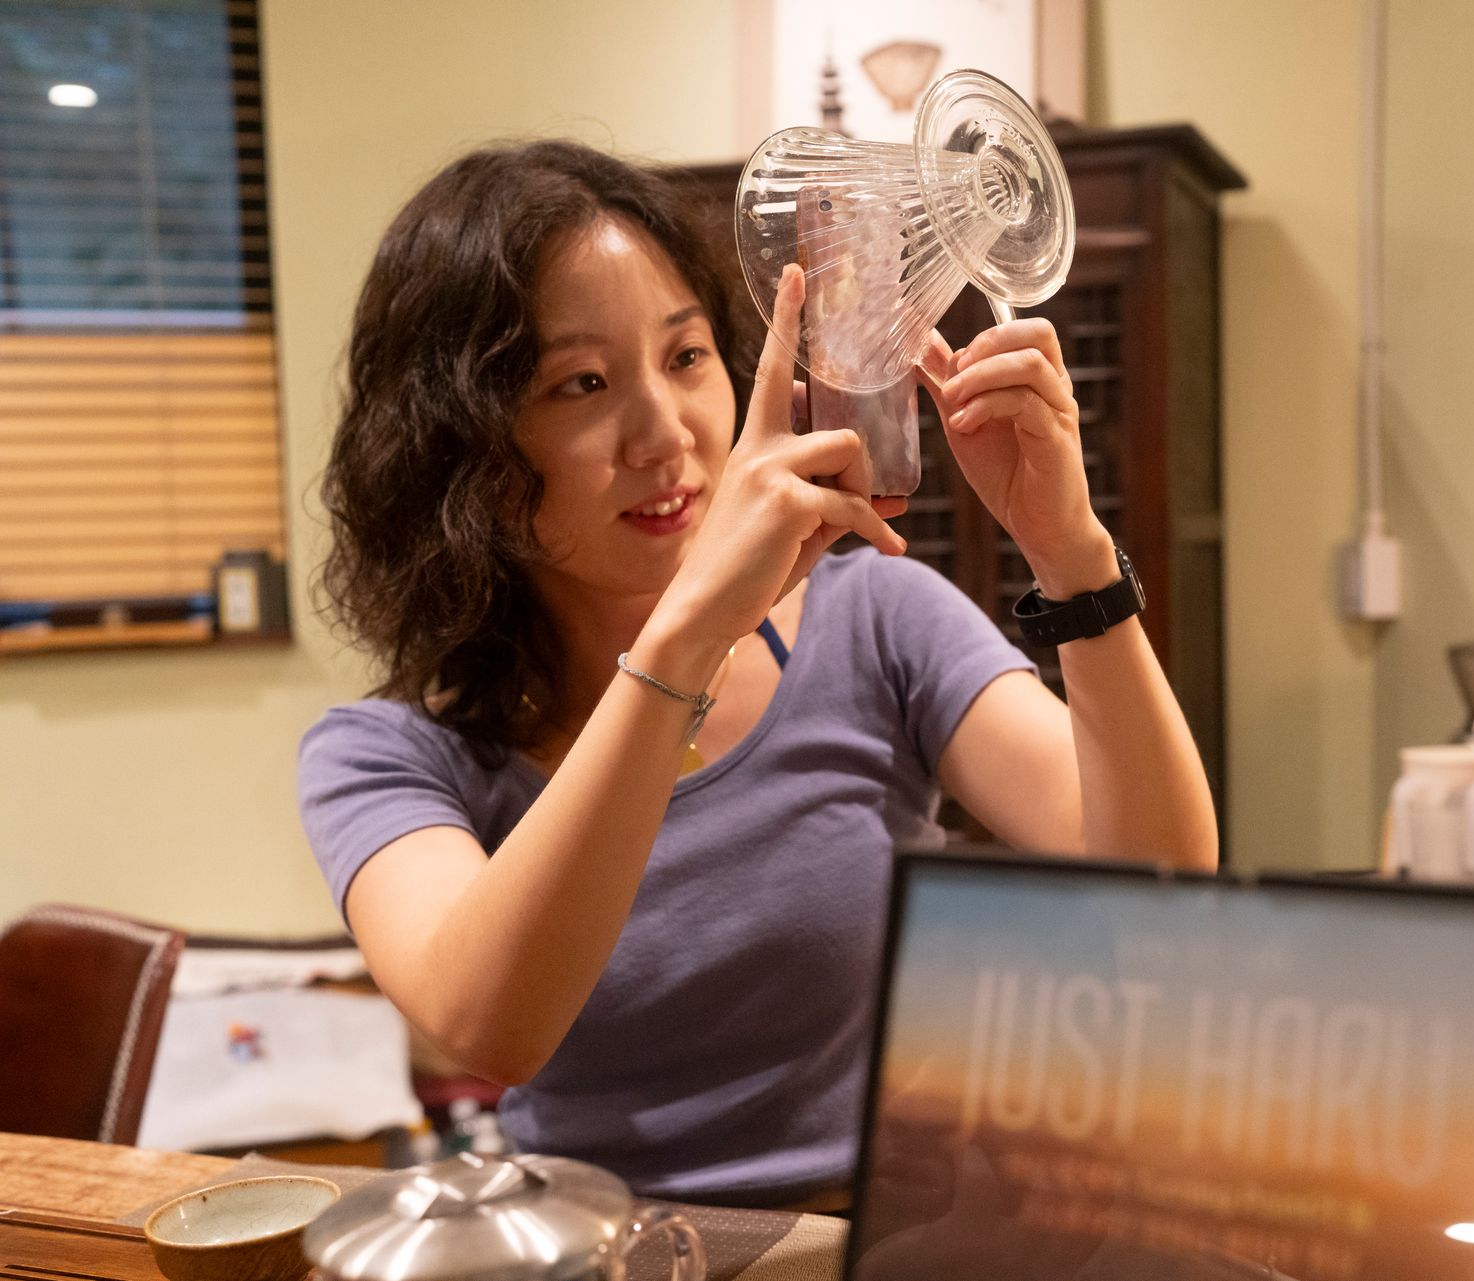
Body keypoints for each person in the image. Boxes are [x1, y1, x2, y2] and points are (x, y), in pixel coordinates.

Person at [298, 139, 1217, 1208]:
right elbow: (489, 1023)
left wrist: (1073, 558)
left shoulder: (875, 618)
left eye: (686, 358)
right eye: (581, 383)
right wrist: (689, 637)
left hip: (897, 1242)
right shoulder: (390, 754)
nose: (666, 433)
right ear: (457, 446)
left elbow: (1157, 886)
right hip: (619, 1250)